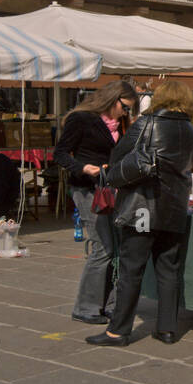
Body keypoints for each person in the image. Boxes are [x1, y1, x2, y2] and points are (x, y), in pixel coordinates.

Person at [87, 81, 193, 346]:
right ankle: (167, 329)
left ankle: (118, 331)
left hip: (142, 207)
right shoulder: (190, 130)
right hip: (174, 208)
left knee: (131, 270)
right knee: (168, 269)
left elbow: (117, 158)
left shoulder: (147, 123)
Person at [55, 81, 138, 326]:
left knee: (115, 248)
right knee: (103, 247)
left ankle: (110, 304)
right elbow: (60, 153)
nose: (126, 112)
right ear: (113, 99)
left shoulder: (122, 124)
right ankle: (86, 306)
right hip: (88, 189)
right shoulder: (82, 119)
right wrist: (83, 168)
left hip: (111, 189)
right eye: (124, 107)